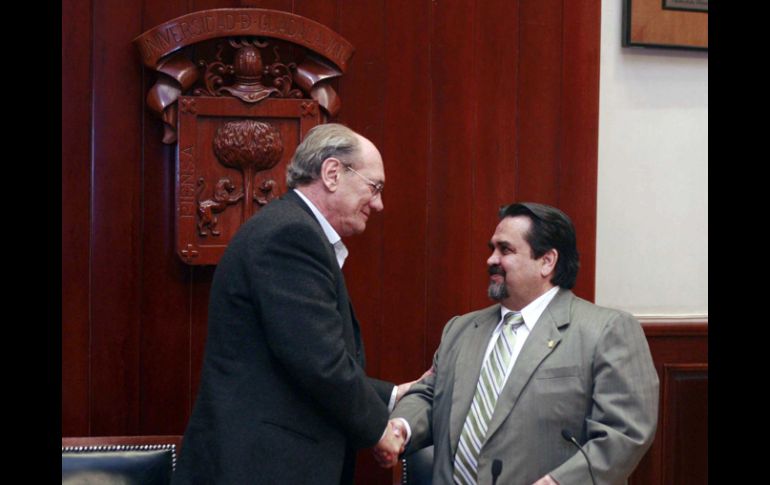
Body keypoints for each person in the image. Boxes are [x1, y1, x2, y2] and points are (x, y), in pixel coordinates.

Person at [172, 123, 421, 485]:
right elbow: (318, 361)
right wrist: (378, 428)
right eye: (374, 187)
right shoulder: (291, 235)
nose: (379, 203)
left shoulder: (289, 227)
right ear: (333, 173)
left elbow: (301, 356)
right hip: (260, 468)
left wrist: (394, 395)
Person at [376, 202, 659, 485]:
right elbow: (430, 394)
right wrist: (402, 427)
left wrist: (559, 482)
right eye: (492, 249)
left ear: (547, 261)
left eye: (506, 250)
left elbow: (624, 432)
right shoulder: (461, 329)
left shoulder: (605, 331)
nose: (491, 259)